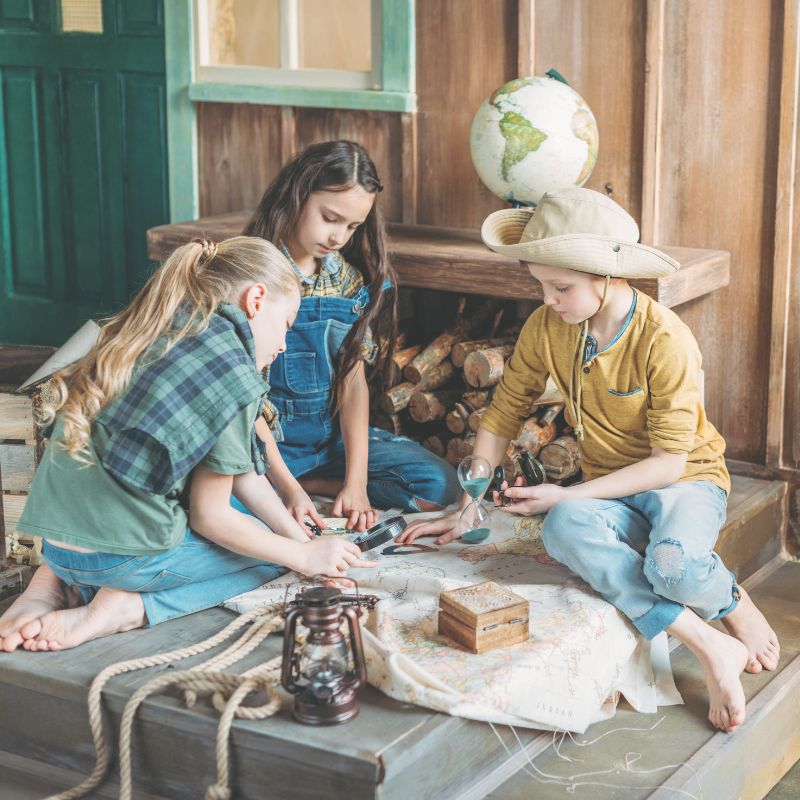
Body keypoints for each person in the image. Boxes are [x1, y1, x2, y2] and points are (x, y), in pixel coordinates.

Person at [397, 187, 780, 733]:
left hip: (685, 482)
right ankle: (708, 644)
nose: (548, 300)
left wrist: (568, 491)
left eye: (561, 288)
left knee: (670, 566)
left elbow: (669, 465)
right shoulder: (547, 327)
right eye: (541, 286)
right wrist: (468, 504)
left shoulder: (666, 339)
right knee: (562, 527)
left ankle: (731, 601)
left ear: (608, 277)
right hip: (610, 490)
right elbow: (503, 415)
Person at [0, 236, 375, 653]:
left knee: (274, 537)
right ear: (256, 299)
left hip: (58, 543)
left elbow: (244, 477)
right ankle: (129, 608)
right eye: (286, 325)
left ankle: (49, 587)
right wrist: (301, 557)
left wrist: (306, 544)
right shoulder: (231, 368)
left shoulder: (157, 326)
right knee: (273, 558)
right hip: (118, 560)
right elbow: (211, 518)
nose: (284, 345)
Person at [243, 140, 459, 531]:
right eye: (329, 217)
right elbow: (243, 400)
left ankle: (318, 484)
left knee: (440, 484)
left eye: (352, 226)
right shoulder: (251, 272)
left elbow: (352, 381)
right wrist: (287, 488)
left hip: (328, 446)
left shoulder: (345, 278)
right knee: (215, 505)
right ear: (298, 194)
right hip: (261, 445)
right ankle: (293, 487)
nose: (338, 236)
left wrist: (356, 484)